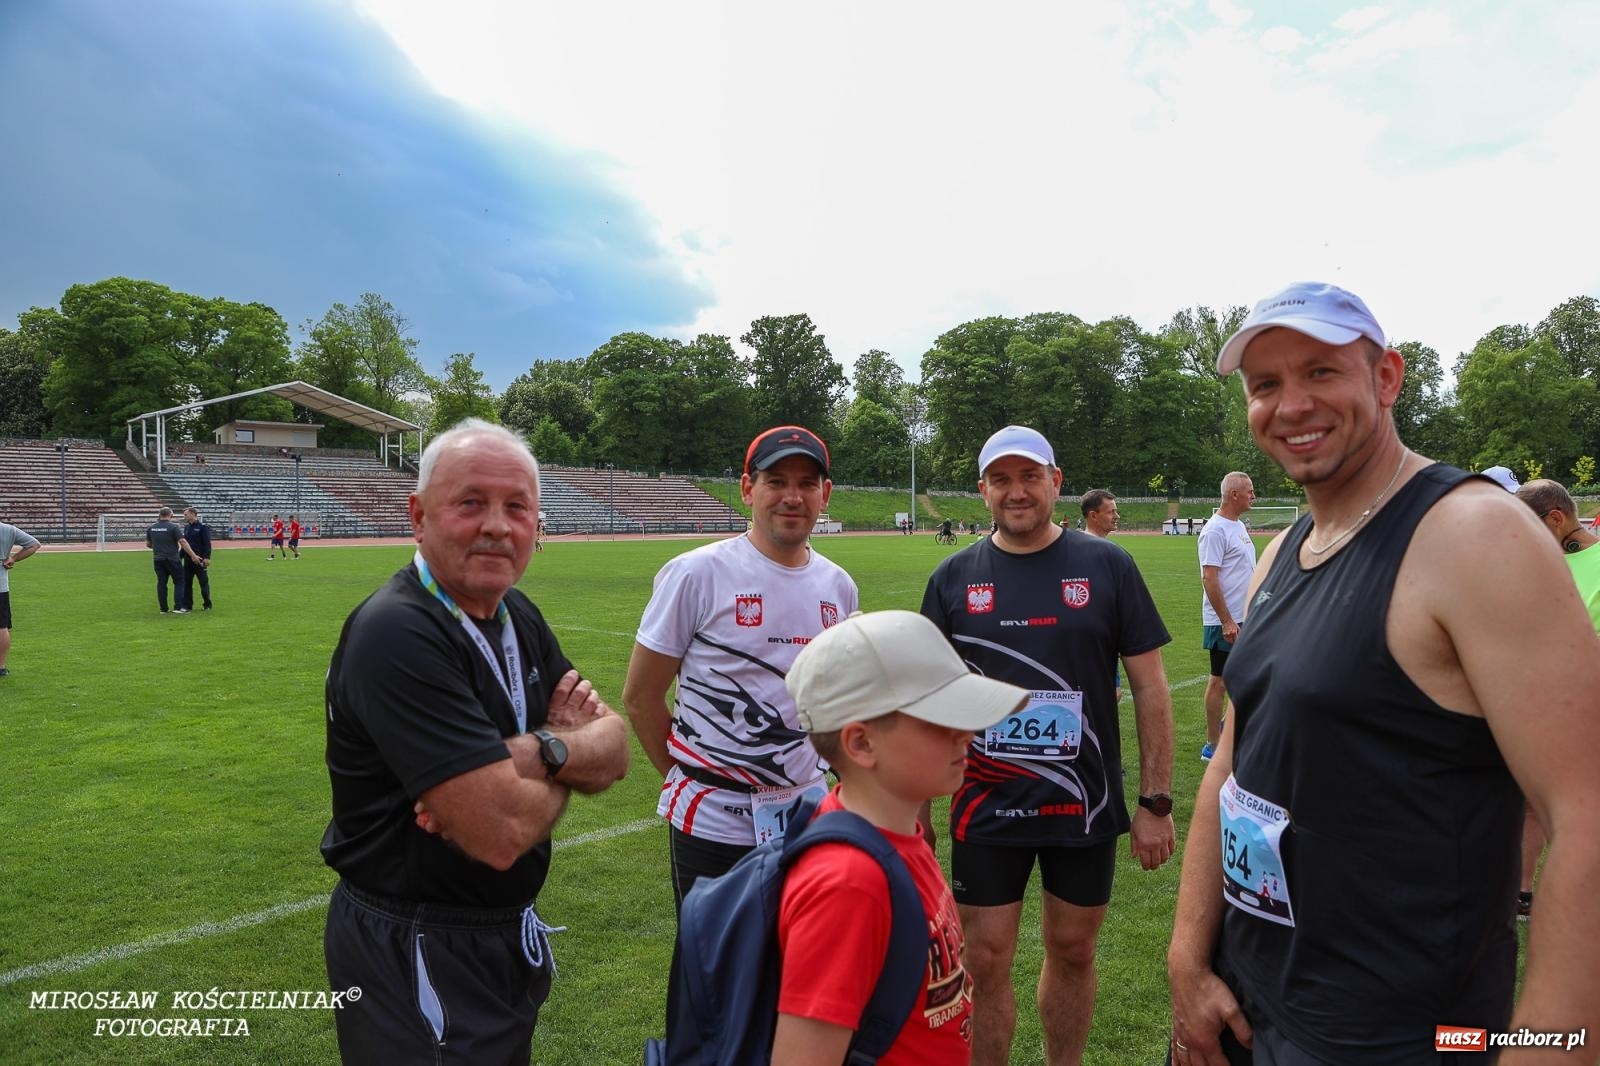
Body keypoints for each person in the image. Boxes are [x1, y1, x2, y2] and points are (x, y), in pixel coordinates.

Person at [1167, 281, 1600, 1064]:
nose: (1291, 404)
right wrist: (1187, 956)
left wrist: (1550, 1046)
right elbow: (1231, 764)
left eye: (1321, 372)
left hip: (1395, 1034)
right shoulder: (1282, 551)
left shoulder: (1476, 536)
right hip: (1243, 1000)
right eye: (1265, 384)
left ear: (1387, 378)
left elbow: (1585, 813)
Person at [320, 419, 630, 1064]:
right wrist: (562, 754)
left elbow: (615, 750)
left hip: (496, 935)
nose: (497, 526)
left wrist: (537, 754)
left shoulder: (518, 614)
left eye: (517, 507)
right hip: (417, 940)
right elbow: (499, 833)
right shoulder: (397, 632)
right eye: (470, 503)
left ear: (536, 524)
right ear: (418, 516)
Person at [921, 425, 1176, 1066]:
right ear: (983, 490)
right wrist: (916, 811)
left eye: (1030, 477)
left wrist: (1156, 802)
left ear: (1055, 482)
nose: (1017, 492)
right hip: (986, 804)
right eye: (1001, 480)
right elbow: (928, 701)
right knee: (983, 959)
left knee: (1074, 949)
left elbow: (1150, 688)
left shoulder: (1108, 566)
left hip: (1083, 804)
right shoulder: (953, 578)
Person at [774, 609, 1030, 1065]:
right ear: (861, 744)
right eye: (940, 719)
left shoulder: (901, 835)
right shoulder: (847, 885)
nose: (967, 734)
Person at [622, 425, 859, 906]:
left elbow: (836, 704)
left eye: (807, 483)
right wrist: (686, 779)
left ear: (825, 494)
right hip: (714, 824)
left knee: (804, 951)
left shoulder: (839, 586)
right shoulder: (696, 573)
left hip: (807, 817)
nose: (792, 497)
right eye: (776, 481)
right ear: (749, 488)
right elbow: (641, 697)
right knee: (716, 955)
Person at [1512, 478, 1600, 922]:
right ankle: (1522, 894)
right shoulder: (1535, 564)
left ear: (1557, 518)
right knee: (1531, 801)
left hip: (1588, 705)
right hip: (1541, 704)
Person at [1196, 472, 1256, 761]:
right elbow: (1209, 577)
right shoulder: (1215, 530)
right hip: (1226, 619)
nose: (1253, 496)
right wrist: (1227, 621)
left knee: (1246, 677)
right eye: (1250, 491)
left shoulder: (1238, 525)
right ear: (1234, 494)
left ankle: (1228, 729)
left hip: (1245, 616)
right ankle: (1212, 744)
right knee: (1219, 680)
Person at [1080, 489, 1124, 705]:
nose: (1117, 516)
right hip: (1093, 641)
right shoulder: (1087, 551)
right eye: (1111, 512)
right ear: (1093, 515)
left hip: (1103, 640)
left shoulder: (1106, 550)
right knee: (1106, 696)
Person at [0, 516, 42, 678]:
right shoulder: (8, 529)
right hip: (1, 586)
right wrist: (14, 558)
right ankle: (1, 667)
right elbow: (34, 544)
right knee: (2, 627)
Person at [147, 507, 203, 614]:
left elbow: (148, 544)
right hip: (172, 559)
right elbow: (183, 542)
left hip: (158, 559)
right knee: (179, 582)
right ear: (170, 515)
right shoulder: (173, 527)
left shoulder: (151, 528)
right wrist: (193, 555)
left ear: (160, 515)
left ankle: (163, 609)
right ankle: (178, 607)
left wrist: (160, 547)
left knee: (161, 583)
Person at [178, 507, 213, 612]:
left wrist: (207, 557)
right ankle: (187, 605)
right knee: (187, 584)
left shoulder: (203, 527)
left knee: (203, 583)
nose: (184, 516)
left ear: (193, 514)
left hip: (200, 560)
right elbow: (185, 545)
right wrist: (179, 557)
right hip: (188, 561)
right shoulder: (186, 528)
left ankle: (207, 604)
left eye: (186, 514)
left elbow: (207, 543)